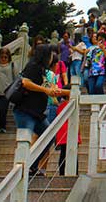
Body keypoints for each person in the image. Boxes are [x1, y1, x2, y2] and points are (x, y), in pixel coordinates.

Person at [14, 44, 62, 176]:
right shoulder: (32, 66)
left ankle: (32, 165)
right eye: (51, 54)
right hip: (25, 111)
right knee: (25, 140)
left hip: (37, 112)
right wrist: (45, 90)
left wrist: (69, 92)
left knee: (49, 136)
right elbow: (26, 83)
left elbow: (50, 88)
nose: (52, 57)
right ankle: (21, 170)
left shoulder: (43, 70)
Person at [55, 85, 81, 175]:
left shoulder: (61, 106)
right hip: (70, 133)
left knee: (63, 154)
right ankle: (74, 172)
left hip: (62, 134)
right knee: (72, 155)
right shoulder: (72, 105)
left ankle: (62, 173)